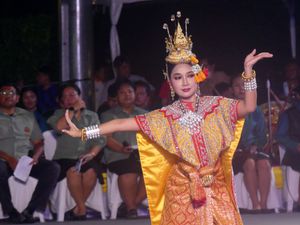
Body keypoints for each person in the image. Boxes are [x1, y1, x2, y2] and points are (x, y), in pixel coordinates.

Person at [62, 12, 272, 225]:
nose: (185, 82)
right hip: (182, 188)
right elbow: (118, 123)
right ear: (171, 84)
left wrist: (248, 73)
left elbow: (249, 106)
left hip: (216, 185)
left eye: (189, 76)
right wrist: (83, 132)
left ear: (197, 78)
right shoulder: (164, 117)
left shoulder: (216, 106)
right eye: (178, 77)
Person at [0, 83, 60, 224]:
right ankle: (11, 212)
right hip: (2, 160)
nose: (8, 96)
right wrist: (9, 159)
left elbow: (39, 142)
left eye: (11, 93)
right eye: (3, 93)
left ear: (17, 98)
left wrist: (35, 156)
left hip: (23, 161)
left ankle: (30, 211)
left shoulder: (27, 116)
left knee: (53, 168)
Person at [47, 83, 106, 220]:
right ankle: (82, 208)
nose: (69, 98)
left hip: (86, 156)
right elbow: (59, 128)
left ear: (80, 97)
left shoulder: (91, 116)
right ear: (61, 101)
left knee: (91, 172)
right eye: (65, 96)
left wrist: (92, 154)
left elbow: (100, 139)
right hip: (64, 158)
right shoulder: (59, 114)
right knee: (74, 172)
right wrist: (73, 109)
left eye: (72, 95)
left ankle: (77, 209)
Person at [100, 80, 148, 218]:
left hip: (141, 155)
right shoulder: (108, 115)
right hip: (118, 155)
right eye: (122, 92)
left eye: (130, 92)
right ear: (116, 96)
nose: (127, 95)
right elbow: (107, 138)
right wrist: (121, 148)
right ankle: (132, 208)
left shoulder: (145, 114)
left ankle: (129, 204)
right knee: (129, 170)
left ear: (135, 94)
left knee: (156, 171)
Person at [231, 75, 271, 212]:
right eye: (237, 85)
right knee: (250, 163)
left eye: (243, 85)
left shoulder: (256, 110)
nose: (241, 88)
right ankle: (255, 205)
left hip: (254, 149)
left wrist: (256, 145)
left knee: (264, 164)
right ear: (232, 89)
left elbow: (262, 136)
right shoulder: (228, 109)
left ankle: (264, 204)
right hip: (236, 153)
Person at [276, 85, 300, 211]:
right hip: (295, 150)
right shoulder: (288, 114)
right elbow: (280, 136)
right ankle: (294, 201)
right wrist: (295, 145)